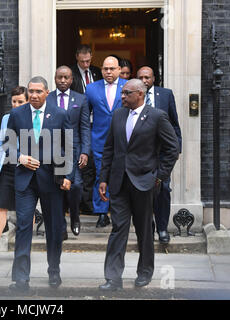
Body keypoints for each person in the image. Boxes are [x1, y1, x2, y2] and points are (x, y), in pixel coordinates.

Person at [98, 79, 179, 291]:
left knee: (144, 231)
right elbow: (109, 149)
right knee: (118, 229)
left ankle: (144, 273)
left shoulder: (157, 116)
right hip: (119, 183)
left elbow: (172, 149)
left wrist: (159, 176)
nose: (122, 96)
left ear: (140, 94)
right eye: (122, 93)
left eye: (126, 93)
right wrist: (104, 179)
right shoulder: (118, 115)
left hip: (145, 183)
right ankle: (112, 278)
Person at [6, 76, 72, 293]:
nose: (34, 95)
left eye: (38, 92)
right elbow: (8, 145)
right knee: (24, 226)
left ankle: (54, 271)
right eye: (31, 91)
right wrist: (19, 157)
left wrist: (65, 176)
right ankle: (21, 279)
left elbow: (67, 147)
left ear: (46, 92)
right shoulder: (17, 114)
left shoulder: (60, 114)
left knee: (54, 229)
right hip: (25, 180)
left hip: (51, 179)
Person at [0, 86, 28, 261]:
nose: (16, 105)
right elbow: (1, 145)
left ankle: (24, 248)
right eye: (14, 102)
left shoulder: (32, 118)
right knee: (1, 206)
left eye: (20, 102)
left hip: (26, 168)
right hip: (7, 168)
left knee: (26, 209)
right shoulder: (6, 118)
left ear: (28, 101)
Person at [137, 66, 182, 244]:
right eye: (141, 77)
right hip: (141, 153)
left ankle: (162, 228)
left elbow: (174, 122)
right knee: (144, 191)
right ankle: (149, 227)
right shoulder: (133, 96)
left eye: (147, 77)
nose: (144, 81)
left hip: (162, 153)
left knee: (163, 189)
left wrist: (177, 147)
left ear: (154, 78)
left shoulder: (165, 94)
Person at [47, 66, 90, 239]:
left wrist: (85, 151)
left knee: (76, 185)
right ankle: (61, 225)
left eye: (66, 78)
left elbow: (85, 126)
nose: (63, 81)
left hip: (75, 148)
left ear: (72, 80)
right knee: (56, 187)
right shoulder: (47, 98)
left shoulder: (81, 99)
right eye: (60, 77)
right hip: (53, 149)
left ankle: (75, 216)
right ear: (55, 78)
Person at [85, 56, 127, 228]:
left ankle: (119, 212)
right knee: (100, 176)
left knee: (122, 175)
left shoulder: (129, 86)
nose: (108, 72)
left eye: (112, 69)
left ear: (119, 69)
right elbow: (85, 116)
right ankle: (102, 213)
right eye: (105, 69)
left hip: (124, 139)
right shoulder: (91, 88)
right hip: (99, 139)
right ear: (101, 70)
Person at [69, 45, 101, 217]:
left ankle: (90, 204)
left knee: (94, 165)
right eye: (82, 62)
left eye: (88, 61)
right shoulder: (71, 74)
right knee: (82, 165)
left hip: (96, 123)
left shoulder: (96, 72)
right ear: (77, 58)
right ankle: (80, 203)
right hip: (79, 123)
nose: (86, 64)